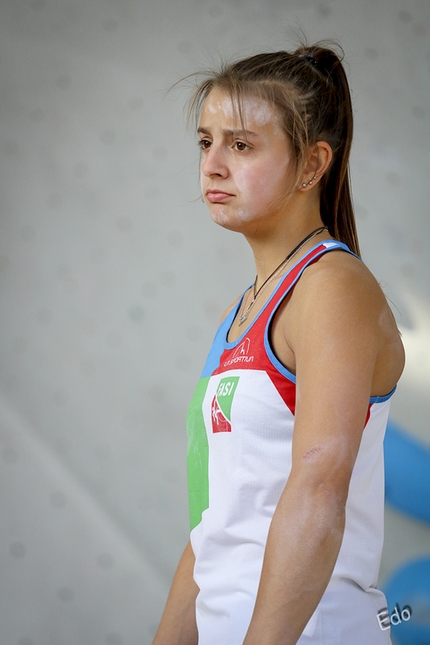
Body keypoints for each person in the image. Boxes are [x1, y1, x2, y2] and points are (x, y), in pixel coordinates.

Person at [152, 41, 405, 645]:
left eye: (240, 144)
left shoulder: (332, 287)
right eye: (205, 141)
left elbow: (318, 491)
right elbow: (215, 527)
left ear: (313, 164)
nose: (213, 163)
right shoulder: (240, 312)